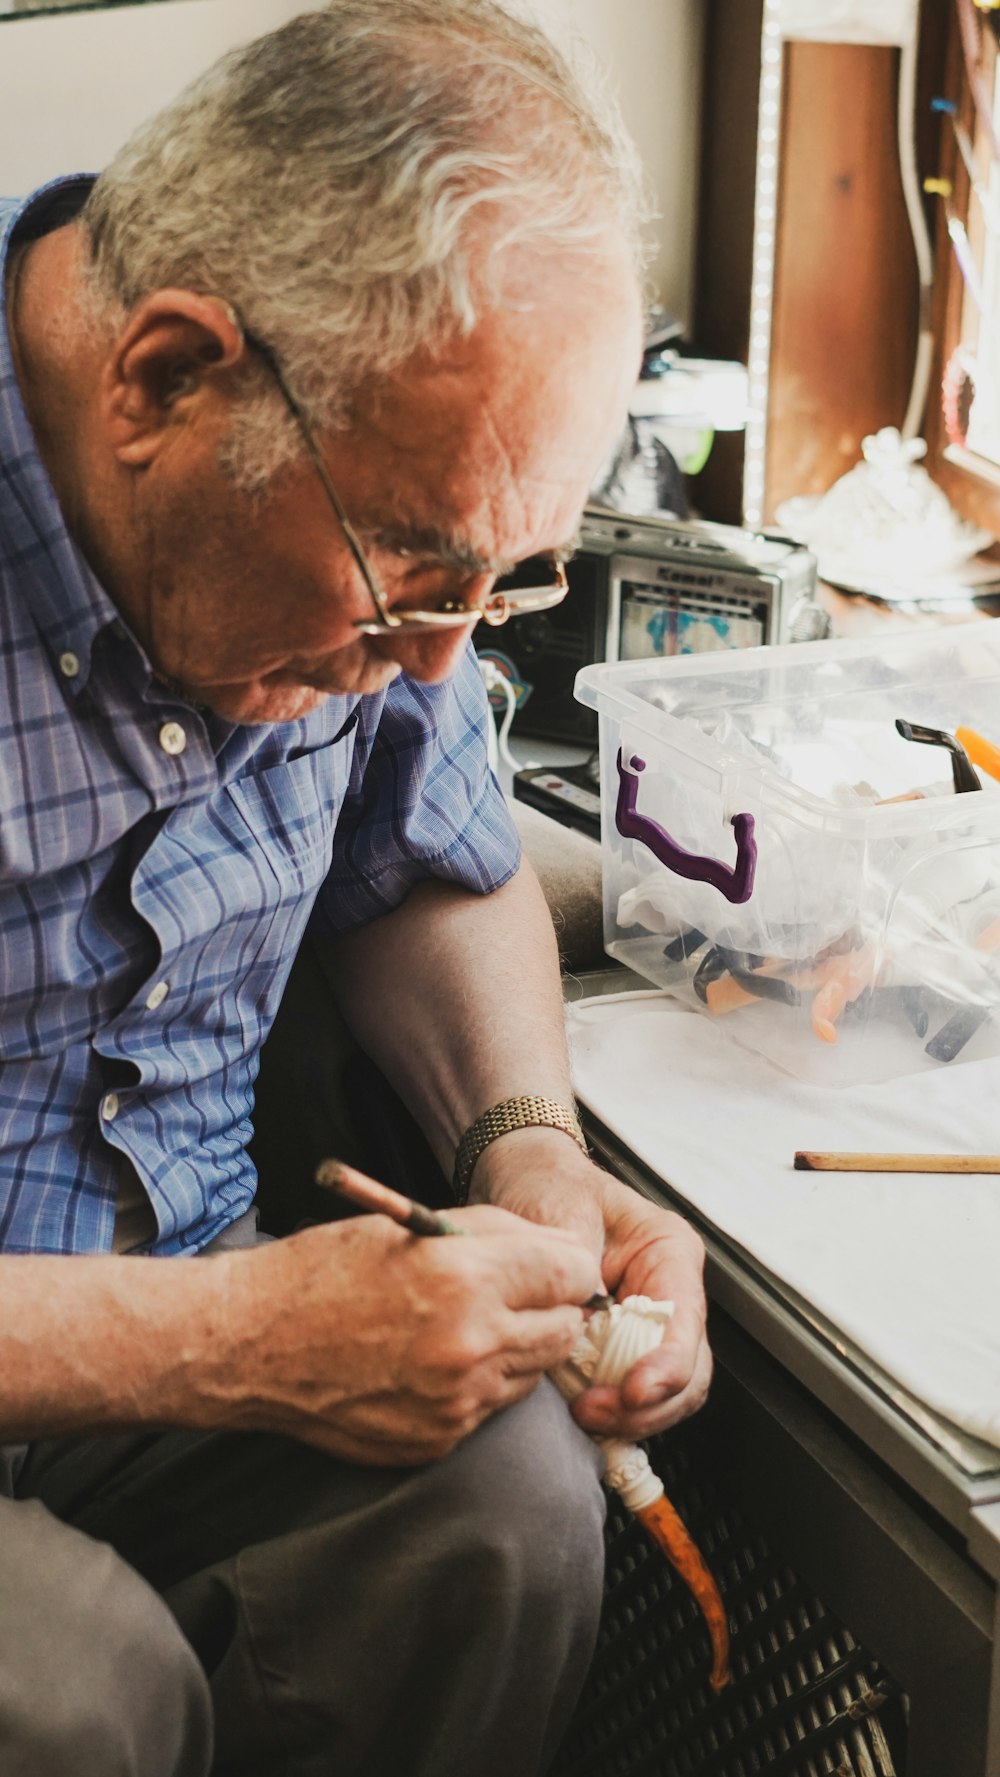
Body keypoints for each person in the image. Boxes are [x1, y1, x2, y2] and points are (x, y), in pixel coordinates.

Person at [0, 3, 711, 1771]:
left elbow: (434, 856)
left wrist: (527, 1149)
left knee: (508, 1501)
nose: (433, 663)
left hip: (183, 1311)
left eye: (508, 581)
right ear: (163, 379)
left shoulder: (379, 515)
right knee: (76, 1688)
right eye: (408, 572)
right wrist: (229, 1335)